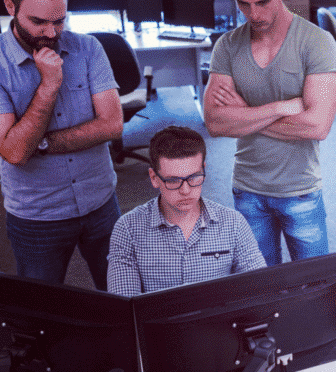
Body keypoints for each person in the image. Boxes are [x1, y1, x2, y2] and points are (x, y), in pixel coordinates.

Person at [0, 0, 123, 289]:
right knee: (42, 314)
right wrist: (48, 87)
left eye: (59, 21)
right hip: (38, 216)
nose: (51, 33)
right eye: (38, 22)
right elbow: (16, 152)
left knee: (120, 296)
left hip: (100, 202)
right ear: (11, 6)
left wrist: (43, 142)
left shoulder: (88, 48)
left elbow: (112, 125)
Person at [203, 0, 336, 266]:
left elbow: (318, 126)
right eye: (244, 4)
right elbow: (215, 123)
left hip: (300, 190)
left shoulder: (316, 43)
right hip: (248, 189)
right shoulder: (227, 46)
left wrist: (243, 113)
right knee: (262, 289)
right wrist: (279, 107)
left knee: (313, 287)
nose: (255, 14)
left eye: (264, 2)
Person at [107, 126, 266, 296]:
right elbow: (126, 305)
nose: (185, 190)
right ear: (154, 178)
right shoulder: (128, 229)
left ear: (204, 170)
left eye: (193, 177)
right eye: (173, 181)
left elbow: (259, 288)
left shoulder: (233, 223)